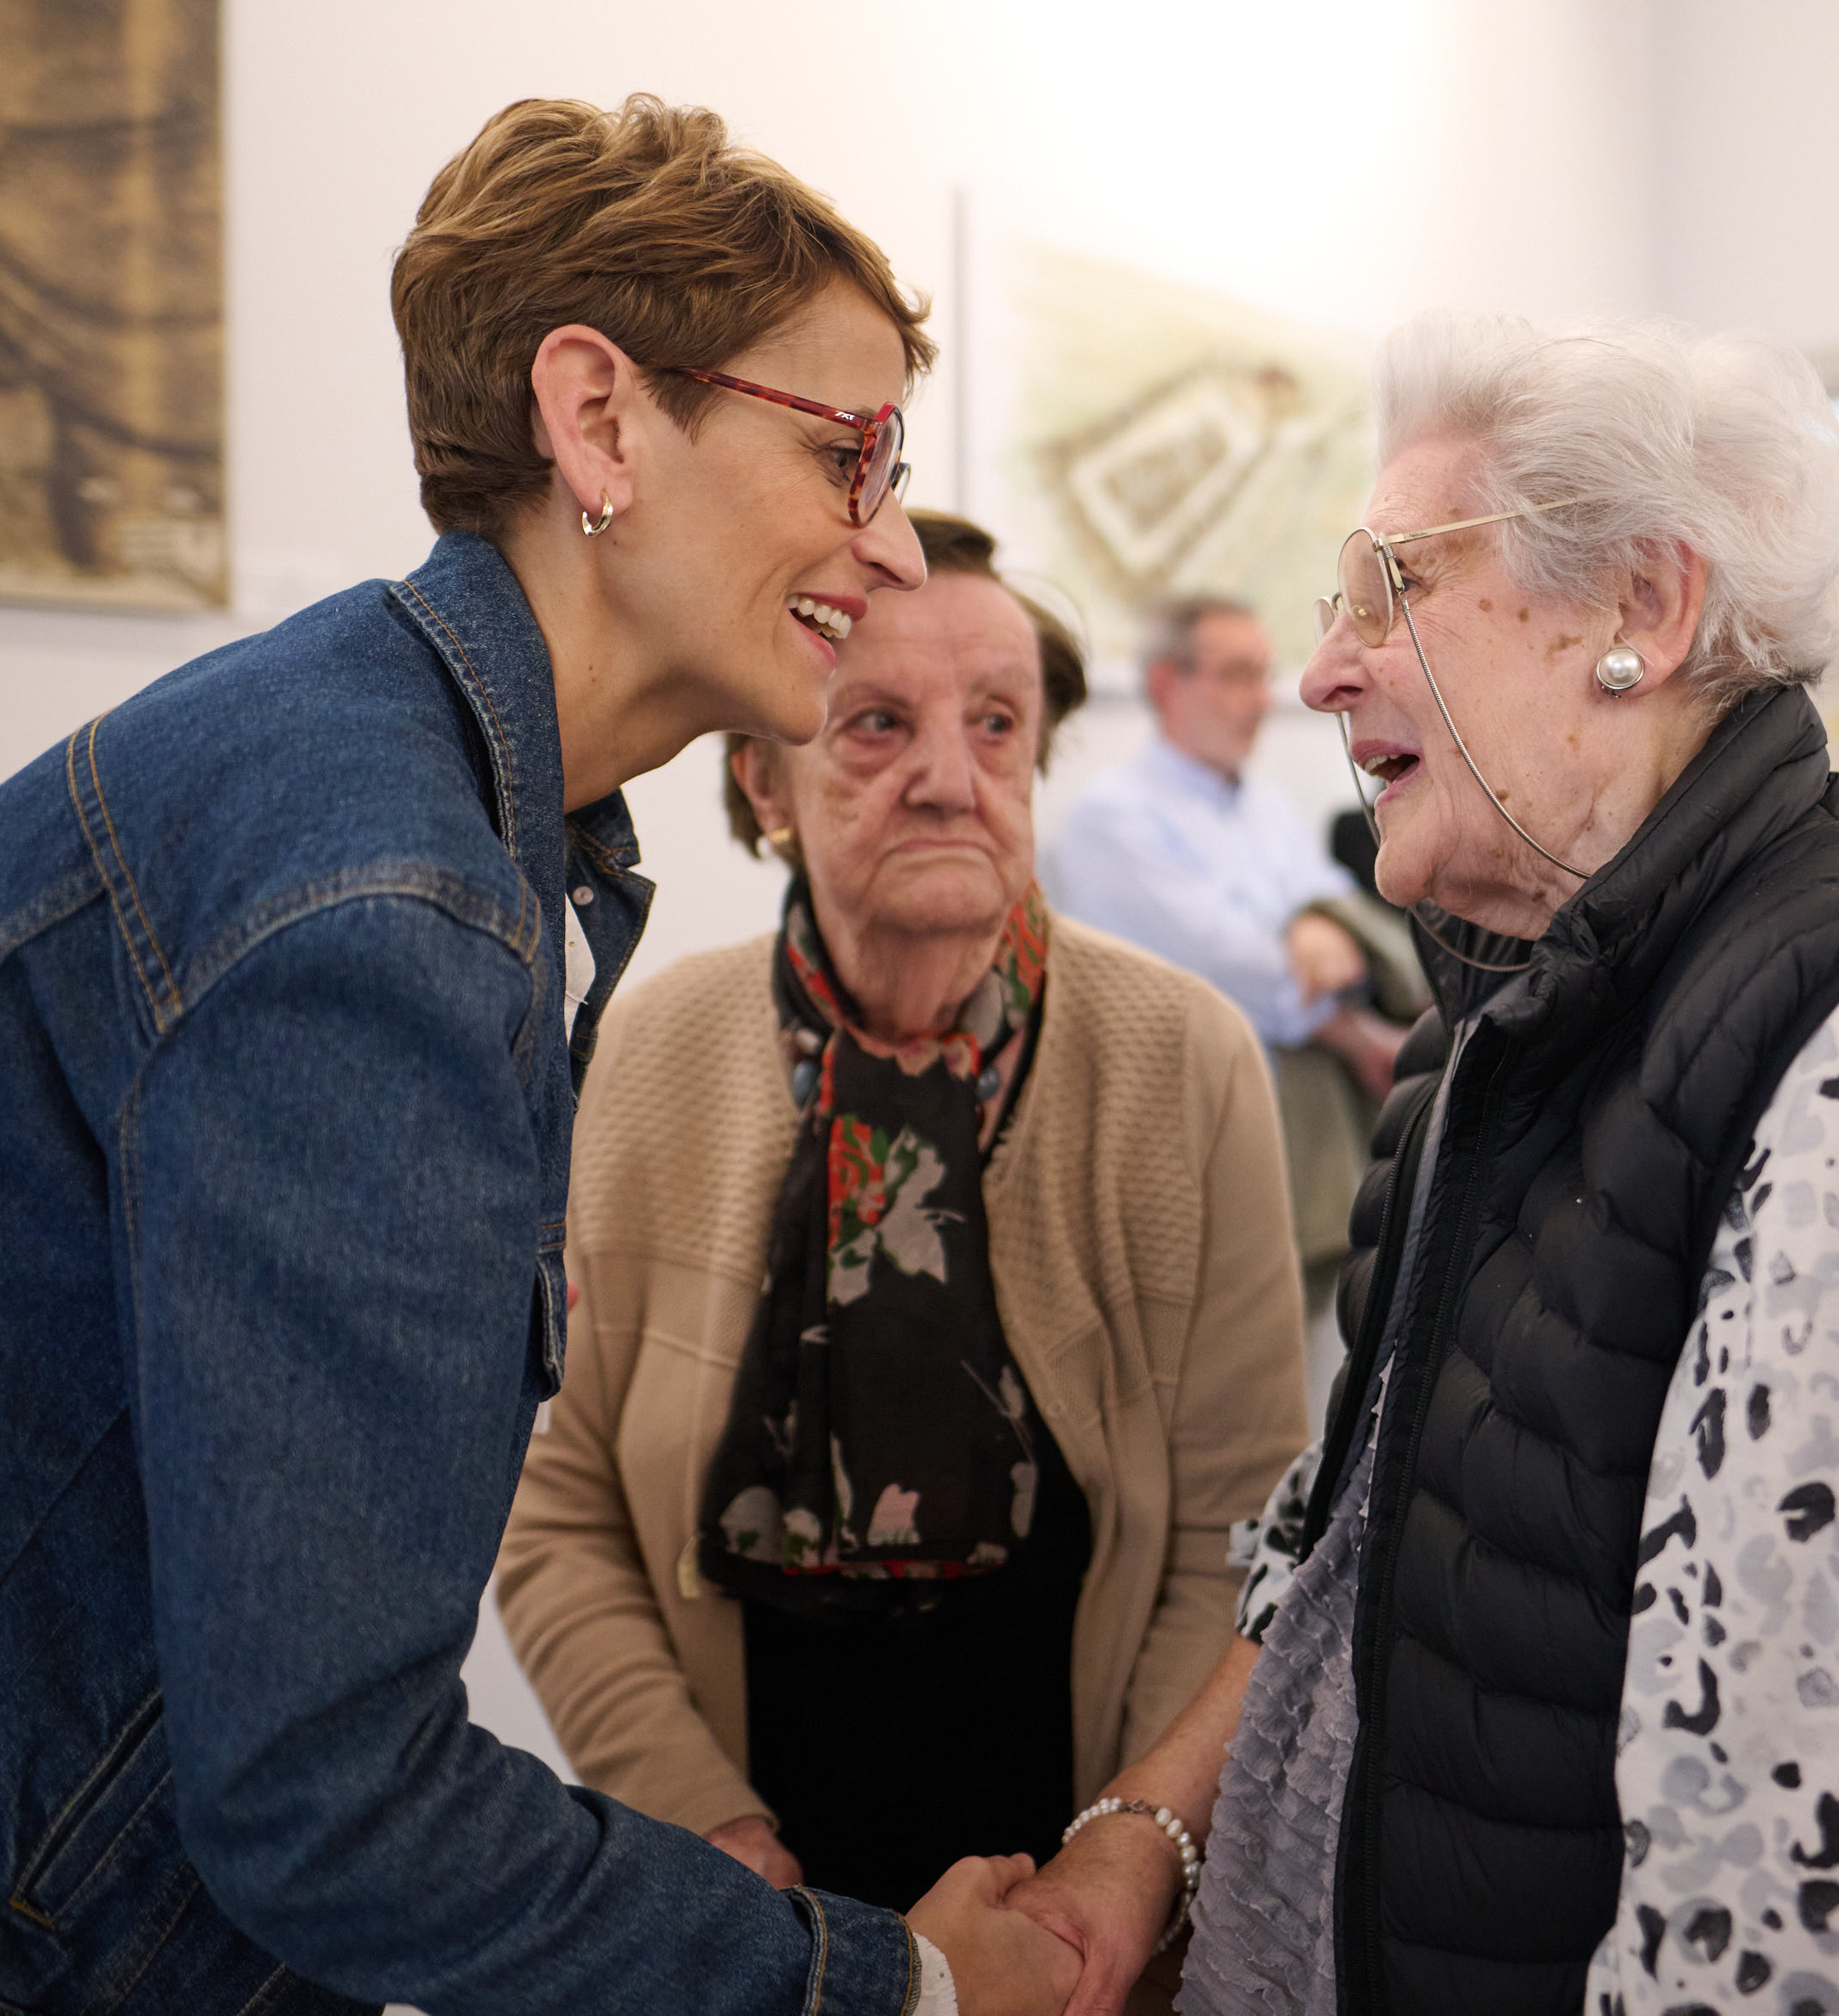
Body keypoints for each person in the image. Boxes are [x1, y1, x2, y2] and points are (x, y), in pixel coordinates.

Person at [0, 96, 1074, 2016]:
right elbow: (331, 1803)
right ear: (598, 420)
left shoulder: (391, 780)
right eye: (846, 452)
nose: (889, 542)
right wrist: (905, 1985)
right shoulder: (378, 900)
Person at [998, 314, 1839, 2016]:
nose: (1323, 671)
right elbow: (1364, 1540)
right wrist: (1148, 1831)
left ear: (1641, 608)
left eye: (1391, 587)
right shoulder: (1503, 1010)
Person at [492, 510, 1310, 1931]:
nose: (948, 777)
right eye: (876, 723)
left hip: (1079, 1879)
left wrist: (1116, 1869)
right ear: (761, 779)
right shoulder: (645, 1048)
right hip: (749, 1887)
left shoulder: (1184, 1056)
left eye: (996, 724)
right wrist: (699, 1822)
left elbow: (1235, 1534)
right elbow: (555, 1505)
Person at [1045, 599, 1412, 1331]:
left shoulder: (1265, 808)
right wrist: (1353, 1029)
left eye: (1262, 675)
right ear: (1165, 685)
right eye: (1236, 675)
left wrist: (1312, 920)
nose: (1261, 699)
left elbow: (1339, 917)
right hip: (1176, 1153)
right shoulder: (1109, 820)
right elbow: (1241, 969)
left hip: (1291, 1138)